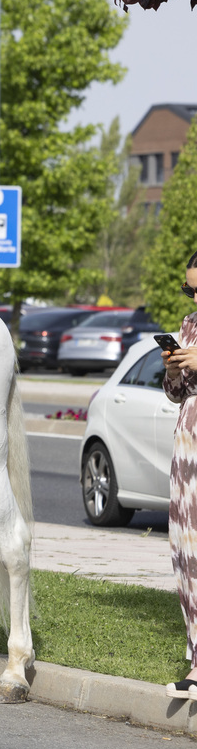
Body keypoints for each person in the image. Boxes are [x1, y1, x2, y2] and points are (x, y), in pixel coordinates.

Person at [160, 251, 197, 702]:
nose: (195, 296)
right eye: (190, 288)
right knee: (186, 552)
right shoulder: (189, 325)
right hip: (188, 447)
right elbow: (175, 395)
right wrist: (173, 371)